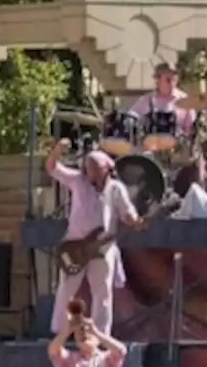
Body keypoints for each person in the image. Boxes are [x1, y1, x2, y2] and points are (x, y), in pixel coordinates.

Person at [45, 139, 144, 335]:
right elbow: (52, 167)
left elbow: (127, 212)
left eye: (96, 170)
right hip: (75, 246)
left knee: (103, 293)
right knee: (66, 289)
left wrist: (134, 220)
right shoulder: (77, 180)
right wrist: (57, 151)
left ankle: (101, 334)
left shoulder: (116, 188)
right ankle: (58, 331)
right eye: (89, 169)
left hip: (103, 249)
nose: (91, 174)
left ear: (107, 169)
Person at [129, 61, 195, 141]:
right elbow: (131, 117)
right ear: (158, 80)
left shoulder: (184, 99)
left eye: (174, 79)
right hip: (151, 148)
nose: (171, 83)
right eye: (167, 80)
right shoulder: (146, 100)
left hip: (176, 147)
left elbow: (190, 128)